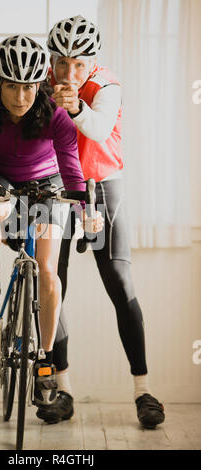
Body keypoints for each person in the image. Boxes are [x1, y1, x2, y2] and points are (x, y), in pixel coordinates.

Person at [0, 35, 103, 408]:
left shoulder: (54, 113)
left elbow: (71, 168)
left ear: (39, 84)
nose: (21, 97)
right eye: (12, 87)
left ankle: (45, 360)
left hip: (46, 183)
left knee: (49, 271)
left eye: (29, 87)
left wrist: (86, 211)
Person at [35, 15, 165, 429]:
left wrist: (73, 104)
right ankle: (62, 388)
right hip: (55, 187)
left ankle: (143, 391)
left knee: (120, 283)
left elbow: (98, 127)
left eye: (78, 64)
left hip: (102, 186)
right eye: (61, 63)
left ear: (92, 61)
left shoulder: (107, 85)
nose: (68, 73)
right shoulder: (39, 83)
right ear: (51, 59)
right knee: (51, 283)